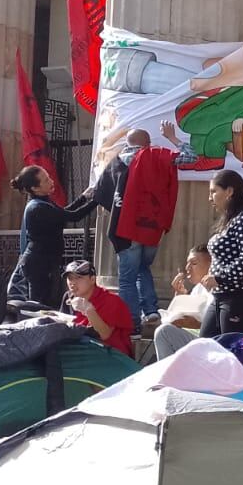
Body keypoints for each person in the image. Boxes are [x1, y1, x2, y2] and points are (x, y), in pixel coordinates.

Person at [85, 128, 178, 332]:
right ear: (147, 142)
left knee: (127, 278)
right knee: (143, 268)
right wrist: (173, 138)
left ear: (128, 142)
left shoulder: (122, 159)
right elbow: (190, 157)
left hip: (128, 229)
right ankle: (151, 310)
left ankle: (132, 323)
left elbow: (100, 191)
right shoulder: (160, 157)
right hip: (152, 229)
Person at [7, 166, 96, 308]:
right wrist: (97, 199)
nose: (51, 181)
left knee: (47, 301)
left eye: (48, 177)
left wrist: (84, 198)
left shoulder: (44, 202)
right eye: (46, 180)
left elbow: (64, 213)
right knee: (40, 305)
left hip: (45, 260)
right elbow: (74, 216)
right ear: (35, 188)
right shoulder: (38, 207)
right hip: (38, 263)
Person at [200, 170, 243, 337]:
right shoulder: (232, 219)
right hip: (222, 296)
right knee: (205, 346)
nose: (210, 198)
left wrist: (219, 277)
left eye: (213, 191)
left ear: (229, 191)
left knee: (233, 351)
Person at [151, 245, 213, 363]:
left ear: (210, 264)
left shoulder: (217, 290)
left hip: (209, 343)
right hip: (193, 341)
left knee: (163, 332)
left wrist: (196, 324)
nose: (188, 268)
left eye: (193, 263)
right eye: (187, 263)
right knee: (164, 331)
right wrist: (179, 299)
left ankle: (168, 378)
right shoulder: (197, 289)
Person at [60, 259, 135, 356]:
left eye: (78, 277)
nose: (72, 283)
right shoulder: (68, 297)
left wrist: (88, 310)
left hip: (110, 354)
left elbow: (105, 334)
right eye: (70, 278)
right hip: (78, 349)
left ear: (92, 279)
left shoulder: (111, 300)